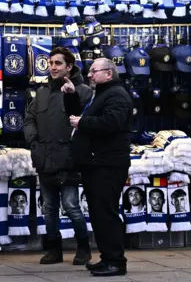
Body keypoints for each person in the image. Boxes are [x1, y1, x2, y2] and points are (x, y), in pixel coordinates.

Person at [63, 57, 133, 277]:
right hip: (96, 164)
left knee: (106, 213)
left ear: (109, 73)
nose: (90, 75)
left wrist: (82, 123)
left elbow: (112, 123)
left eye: (94, 71)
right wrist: (71, 97)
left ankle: (116, 262)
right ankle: (107, 258)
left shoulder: (118, 95)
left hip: (108, 165)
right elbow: (86, 117)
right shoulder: (103, 94)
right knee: (98, 214)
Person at [23, 47, 93, 265]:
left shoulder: (83, 91)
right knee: (49, 208)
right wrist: (34, 143)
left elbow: (88, 125)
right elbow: (29, 119)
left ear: (69, 67)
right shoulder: (42, 93)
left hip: (69, 159)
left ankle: (84, 247)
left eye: (58, 63)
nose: (53, 67)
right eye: (51, 63)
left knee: (71, 205)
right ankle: (54, 249)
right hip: (44, 158)